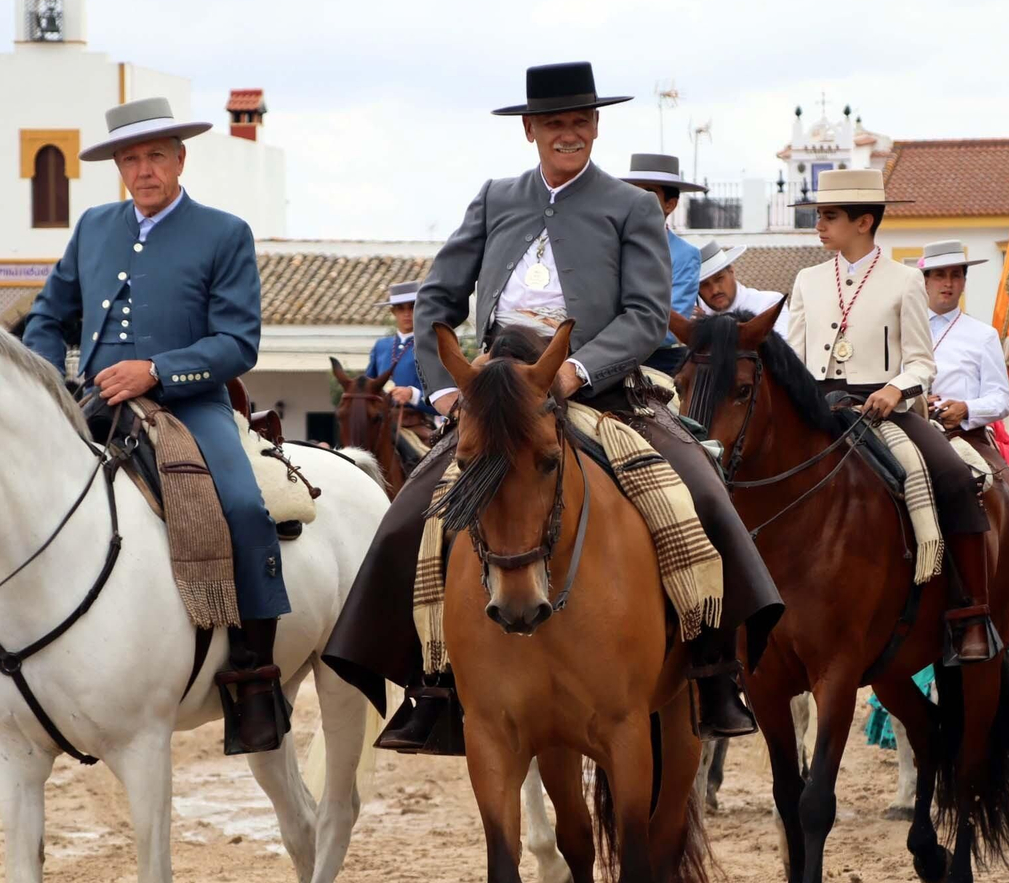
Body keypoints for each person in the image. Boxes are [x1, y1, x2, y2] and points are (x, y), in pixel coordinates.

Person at [321, 61, 783, 751]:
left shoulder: (629, 207)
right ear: (531, 129)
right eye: (555, 123)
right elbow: (438, 299)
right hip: (499, 393)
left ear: (595, 126)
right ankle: (431, 685)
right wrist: (448, 386)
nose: (569, 133)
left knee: (699, 491)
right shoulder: (493, 198)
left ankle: (714, 669)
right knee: (406, 518)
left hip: (597, 387)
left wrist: (578, 367)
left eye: (581, 121)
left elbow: (646, 311)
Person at [22, 95, 290, 756]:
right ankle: (7, 673)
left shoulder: (224, 232)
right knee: (10, 493)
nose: (143, 170)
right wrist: (46, 384)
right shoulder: (92, 227)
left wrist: (158, 370)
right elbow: (48, 315)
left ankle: (253, 678)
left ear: (179, 159)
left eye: (155, 157)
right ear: (120, 166)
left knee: (243, 505)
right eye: (131, 158)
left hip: (189, 402)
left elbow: (238, 342)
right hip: (93, 401)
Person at [785, 169, 995, 661]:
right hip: (819, 407)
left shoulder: (904, 279)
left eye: (829, 216)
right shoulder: (806, 279)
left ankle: (973, 614)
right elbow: (793, 357)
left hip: (886, 408)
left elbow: (922, 361)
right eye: (818, 215)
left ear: (863, 221)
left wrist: (895, 389)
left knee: (954, 476)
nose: (819, 224)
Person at [618, 153, 705, 373]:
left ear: (670, 204)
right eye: (633, 190)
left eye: (648, 192)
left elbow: (672, 327)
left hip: (660, 364)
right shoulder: (607, 245)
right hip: (604, 359)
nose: (637, 198)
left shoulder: (686, 255)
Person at [917, 239, 1009, 433]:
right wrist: (915, 404)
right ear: (925, 282)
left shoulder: (984, 335)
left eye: (956, 276)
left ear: (964, 283)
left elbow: (1001, 399)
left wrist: (967, 408)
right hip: (909, 431)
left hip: (964, 434)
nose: (948, 283)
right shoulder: (903, 329)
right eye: (940, 275)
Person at [364, 280, 439, 460]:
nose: (406, 313)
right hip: (382, 425)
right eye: (400, 308)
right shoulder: (381, 346)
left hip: (416, 426)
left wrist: (412, 395)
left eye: (412, 307)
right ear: (393, 312)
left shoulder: (433, 345)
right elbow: (367, 389)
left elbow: (448, 401)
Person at [695, 238, 789, 336]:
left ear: (731, 271)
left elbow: (780, 347)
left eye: (719, 279)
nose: (715, 290)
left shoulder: (769, 304)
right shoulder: (695, 315)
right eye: (704, 285)